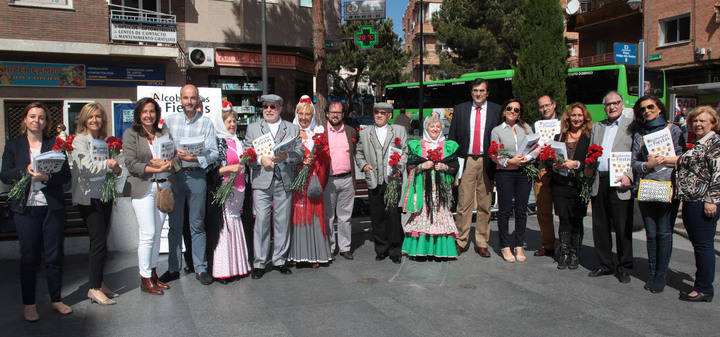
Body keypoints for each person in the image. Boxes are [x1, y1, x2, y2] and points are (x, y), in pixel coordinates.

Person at [1, 102, 72, 321]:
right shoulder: (13, 145)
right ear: (25, 119)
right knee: (29, 257)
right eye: (32, 116)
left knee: (54, 256)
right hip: (26, 209)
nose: (36, 121)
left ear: (46, 122)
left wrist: (48, 177)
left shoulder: (54, 145)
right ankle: (29, 304)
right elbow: (5, 174)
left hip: (51, 208)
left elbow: (65, 177)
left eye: (41, 117)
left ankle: (56, 299)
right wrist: (26, 171)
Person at [161, 84, 218, 285]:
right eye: (186, 98)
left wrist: (194, 158)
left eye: (193, 98)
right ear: (180, 99)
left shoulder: (206, 123)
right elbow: (162, 149)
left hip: (196, 177)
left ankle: (201, 269)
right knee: (175, 226)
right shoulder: (169, 122)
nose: (189, 102)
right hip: (175, 177)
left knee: (197, 225)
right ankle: (173, 268)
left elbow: (213, 154)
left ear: (198, 100)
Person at [244, 94, 304, 279]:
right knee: (261, 222)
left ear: (280, 108)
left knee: (282, 221)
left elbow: (300, 152)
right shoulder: (253, 128)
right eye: (265, 107)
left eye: (272, 106)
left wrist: (287, 156)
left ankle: (280, 259)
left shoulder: (292, 128)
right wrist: (261, 160)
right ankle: (260, 262)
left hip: (284, 179)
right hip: (262, 180)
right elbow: (247, 153)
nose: (268, 110)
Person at [629, 95, 683, 293]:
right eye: (642, 109)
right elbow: (634, 162)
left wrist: (663, 160)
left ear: (659, 108)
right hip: (647, 187)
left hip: (668, 187)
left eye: (650, 107)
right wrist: (647, 165)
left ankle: (661, 274)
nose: (646, 111)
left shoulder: (674, 130)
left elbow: (682, 158)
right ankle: (653, 272)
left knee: (664, 231)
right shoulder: (639, 134)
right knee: (651, 233)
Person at [70, 102, 122, 305]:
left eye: (98, 116)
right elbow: (87, 168)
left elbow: (116, 169)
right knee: (98, 242)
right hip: (88, 198)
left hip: (104, 196)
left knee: (101, 242)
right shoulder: (79, 141)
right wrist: (109, 165)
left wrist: (116, 168)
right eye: (91, 117)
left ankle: (99, 282)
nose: (95, 120)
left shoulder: (103, 141)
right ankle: (93, 288)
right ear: (84, 119)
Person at [123, 98, 175, 295]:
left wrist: (169, 164)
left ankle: (153, 274)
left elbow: (174, 157)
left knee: (157, 233)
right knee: (148, 234)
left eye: (152, 111)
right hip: (143, 188)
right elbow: (131, 163)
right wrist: (154, 167)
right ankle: (145, 279)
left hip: (162, 188)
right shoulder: (131, 134)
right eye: (144, 111)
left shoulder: (163, 133)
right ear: (138, 114)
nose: (148, 115)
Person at [448, 78, 502, 257]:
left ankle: (481, 242)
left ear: (487, 93)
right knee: (464, 203)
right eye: (475, 91)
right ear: (471, 92)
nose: (478, 94)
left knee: (485, 204)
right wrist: (452, 163)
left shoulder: (496, 110)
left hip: (487, 161)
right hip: (467, 161)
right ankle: (461, 240)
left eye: (482, 91)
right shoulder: (461, 109)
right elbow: (453, 137)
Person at [585, 91, 635, 283]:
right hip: (600, 179)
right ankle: (605, 264)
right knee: (600, 225)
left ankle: (624, 266)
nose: (611, 107)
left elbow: (636, 154)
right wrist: (589, 168)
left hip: (621, 181)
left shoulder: (630, 127)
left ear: (622, 105)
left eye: (615, 103)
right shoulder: (598, 126)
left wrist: (629, 176)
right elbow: (592, 151)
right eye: (608, 104)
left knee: (623, 226)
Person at [676, 106, 720, 302]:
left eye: (703, 120)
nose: (698, 124)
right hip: (692, 200)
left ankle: (704, 289)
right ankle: (702, 282)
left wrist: (712, 200)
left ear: (713, 123)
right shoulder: (700, 143)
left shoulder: (714, 142)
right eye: (695, 120)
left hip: (703, 201)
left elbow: (718, 174)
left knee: (703, 245)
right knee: (699, 244)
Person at [401, 113, 459, 259]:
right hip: (423, 189)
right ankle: (421, 249)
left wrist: (444, 167)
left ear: (442, 129)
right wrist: (422, 166)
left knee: (441, 215)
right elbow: (410, 166)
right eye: (432, 126)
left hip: (441, 191)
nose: (435, 129)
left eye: (438, 126)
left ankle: (440, 250)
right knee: (422, 216)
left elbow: (454, 166)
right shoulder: (417, 146)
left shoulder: (448, 146)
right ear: (426, 128)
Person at [355, 102, 408, 263]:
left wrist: (399, 167)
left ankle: (395, 250)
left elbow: (404, 151)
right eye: (377, 112)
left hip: (392, 179)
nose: (379, 115)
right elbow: (358, 153)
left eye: (383, 113)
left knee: (393, 215)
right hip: (373, 179)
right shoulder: (365, 133)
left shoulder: (399, 131)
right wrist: (364, 165)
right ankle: (381, 248)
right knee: (377, 216)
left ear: (389, 115)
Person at [206, 105, 252, 283]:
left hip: (239, 189)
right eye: (228, 121)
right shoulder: (217, 142)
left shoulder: (237, 141)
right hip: (225, 189)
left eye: (234, 121)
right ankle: (223, 270)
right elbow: (212, 169)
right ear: (221, 122)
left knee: (235, 224)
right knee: (224, 227)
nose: (232, 124)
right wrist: (229, 168)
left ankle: (237, 266)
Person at [489, 99, 536, 263]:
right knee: (504, 210)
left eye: (516, 110)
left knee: (522, 210)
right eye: (509, 108)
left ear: (519, 113)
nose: (512, 112)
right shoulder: (497, 130)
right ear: (504, 111)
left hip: (523, 173)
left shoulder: (526, 128)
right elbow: (493, 153)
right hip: (505, 174)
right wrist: (509, 162)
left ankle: (519, 245)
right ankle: (505, 245)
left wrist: (528, 157)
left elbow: (536, 147)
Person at [288, 96, 332, 267]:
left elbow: (327, 157)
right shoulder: (290, 132)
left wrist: (315, 157)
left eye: (307, 114)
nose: (304, 117)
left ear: (312, 116)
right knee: (297, 215)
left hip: (313, 181)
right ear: (297, 114)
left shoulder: (317, 133)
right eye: (301, 113)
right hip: (297, 182)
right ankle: (296, 254)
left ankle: (315, 254)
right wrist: (299, 162)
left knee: (314, 215)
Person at [551, 103, 592, 270]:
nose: (576, 118)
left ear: (585, 118)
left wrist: (577, 164)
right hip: (560, 184)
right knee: (564, 219)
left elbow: (593, 160)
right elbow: (549, 159)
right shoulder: (559, 137)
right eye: (573, 115)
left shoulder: (589, 138)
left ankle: (575, 253)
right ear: (568, 117)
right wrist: (554, 166)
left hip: (578, 185)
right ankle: (564, 252)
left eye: (579, 116)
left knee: (577, 219)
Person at [323, 100, 358, 260]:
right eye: (332, 112)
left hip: (347, 179)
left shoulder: (350, 131)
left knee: (345, 216)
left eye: (338, 112)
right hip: (328, 180)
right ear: (327, 114)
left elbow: (356, 152)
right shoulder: (321, 131)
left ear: (343, 114)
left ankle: (345, 247)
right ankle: (329, 247)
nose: (335, 115)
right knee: (328, 216)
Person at [533, 94, 560, 257]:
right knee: (543, 210)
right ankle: (548, 244)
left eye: (547, 105)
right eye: (541, 106)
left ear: (554, 105)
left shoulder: (563, 123)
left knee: (563, 210)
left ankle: (565, 245)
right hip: (542, 169)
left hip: (560, 168)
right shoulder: (537, 125)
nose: (544, 109)